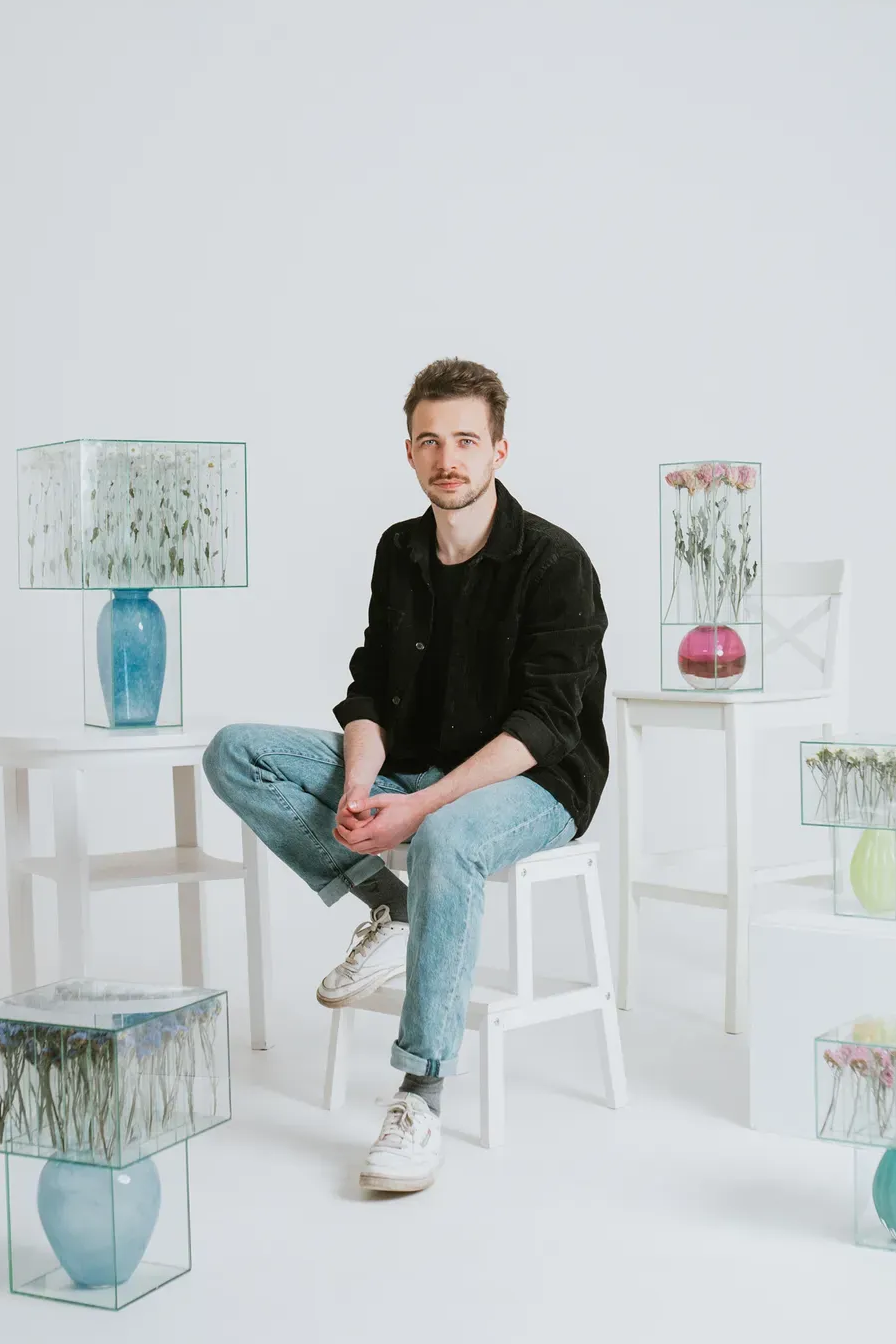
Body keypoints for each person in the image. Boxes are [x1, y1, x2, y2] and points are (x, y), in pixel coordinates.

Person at [202, 357, 609, 1192]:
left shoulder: (554, 561)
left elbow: (545, 725)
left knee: (450, 833)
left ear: (500, 449)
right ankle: (391, 908)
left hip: (538, 783)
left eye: (465, 439)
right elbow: (371, 691)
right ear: (410, 453)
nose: (447, 457)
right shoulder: (399, 549)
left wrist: (418, 807)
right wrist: (360, 786)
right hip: (416, 767)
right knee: (235, 750)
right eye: (430, 441)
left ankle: (421, 1091)